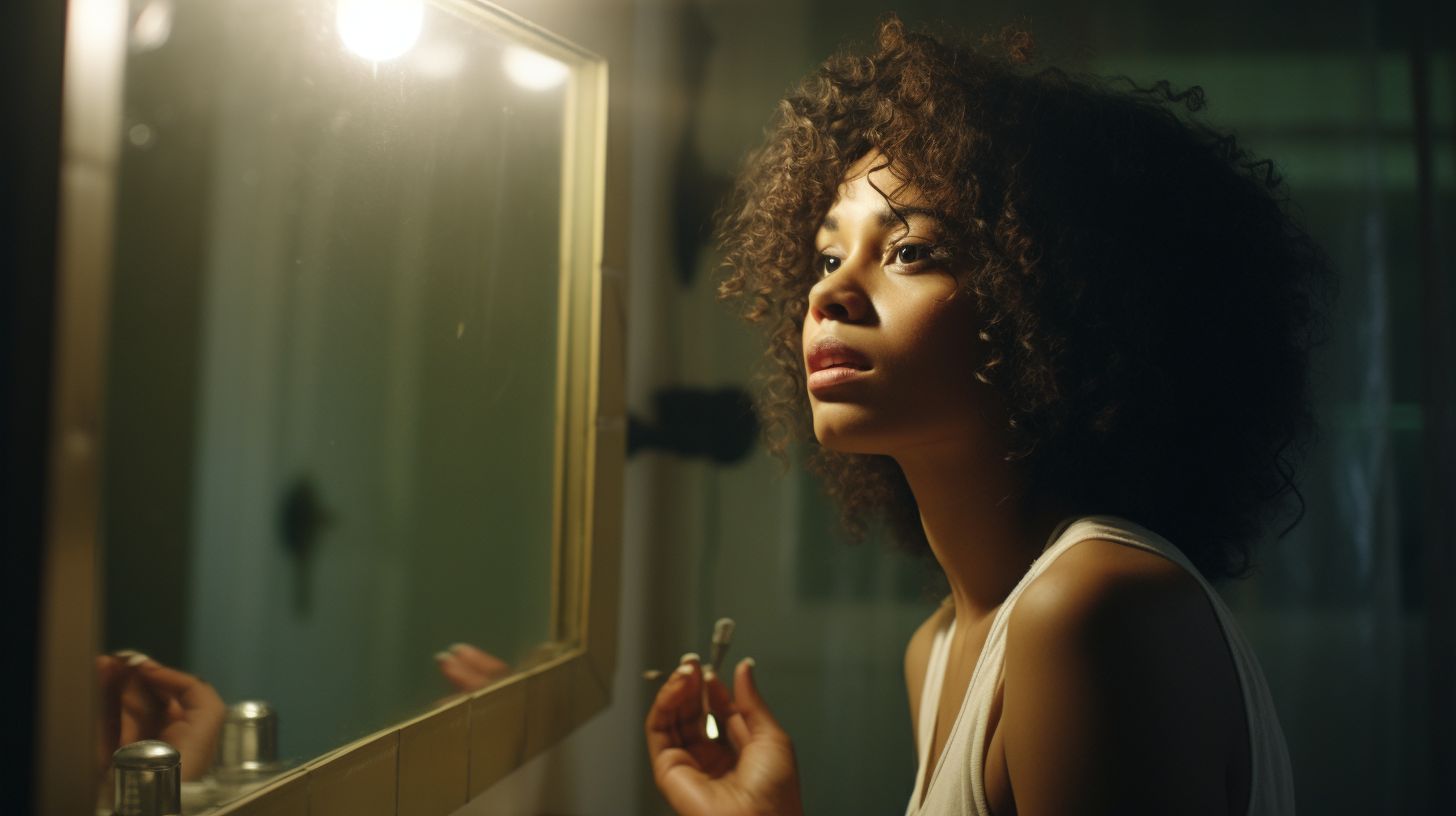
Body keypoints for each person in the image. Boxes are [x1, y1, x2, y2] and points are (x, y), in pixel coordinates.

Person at [644, 14, 1332, 816]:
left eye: (910, 252)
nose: (827, 292)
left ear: (1053, 299)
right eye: (830, 256)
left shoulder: (1092, 610)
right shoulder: (936, 650)